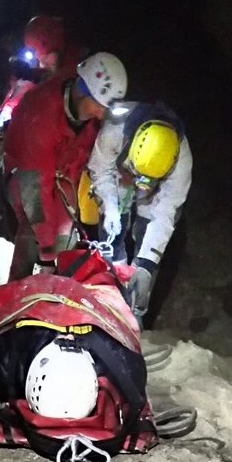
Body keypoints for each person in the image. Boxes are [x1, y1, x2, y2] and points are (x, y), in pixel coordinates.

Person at [0, 247, 195, 459]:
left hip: (70, 309)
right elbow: (132, 372)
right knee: (97, 278)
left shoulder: (13, 356)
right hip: (94, 302)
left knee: (81, 270)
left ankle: (81, 261)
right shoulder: (116, 364)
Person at [1, 51, 128, 280]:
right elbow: (35, 192)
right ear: (83, 93)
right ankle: (16, 289)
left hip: (60, 174)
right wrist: (47, 253)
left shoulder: (86, 116)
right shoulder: (43, 115)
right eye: (99, 106)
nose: (101, 115)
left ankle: (55, 292)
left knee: (66, 234)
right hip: (21, 170)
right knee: (34, 233)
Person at [86, 99, 192, 325]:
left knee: (147, 238)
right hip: (119, 175)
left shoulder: (181, 161)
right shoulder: (115, 130)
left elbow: (165, 214)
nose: (139, 184)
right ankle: (109, 297)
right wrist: (111, 209)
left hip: (156, 188)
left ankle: (136, 312)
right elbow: (100, 169)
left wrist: (146, 264)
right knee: (111, 236)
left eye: (145, 179)